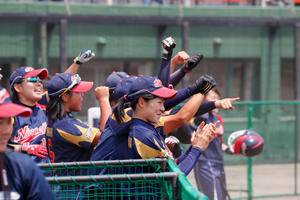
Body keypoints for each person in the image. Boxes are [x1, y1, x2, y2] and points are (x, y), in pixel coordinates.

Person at [112, 76, 218, 175]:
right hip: (145, 195)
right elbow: (175, 175)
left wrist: (194, 146)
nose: (163, 109)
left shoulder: (147, 127)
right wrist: (197, 149)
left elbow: (173, 165)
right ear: (141, 102)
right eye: (159, 103)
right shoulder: (143, 136)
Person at [8, 49, 95, 163]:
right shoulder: (9, 114)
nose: (39, 83)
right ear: (17, 87)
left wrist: (77, 63)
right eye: (33, 79)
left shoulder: (43, 105)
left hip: (49, 174)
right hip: (22, 174)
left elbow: (62, 85)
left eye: (40, 79)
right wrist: (22, 148)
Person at [0, 86, 55, 200]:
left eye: (9, 122)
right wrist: (24, 147)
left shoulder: (22, 166)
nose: (5, 131)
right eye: (0, 123)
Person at [46, 73, 110, 164]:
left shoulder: (58, 120)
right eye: (78, 92)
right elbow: (106, 138)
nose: (82, 95)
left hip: (67, 175)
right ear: (65, 97)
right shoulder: (65, 124)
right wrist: (104, 99)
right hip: (74, 177)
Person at [193, 88, 235, 200]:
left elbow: (217, 142)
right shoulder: (201, 116)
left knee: (222, 197)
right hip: (205, 163)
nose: (215, 100)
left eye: (217, 97)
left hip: (218, 162)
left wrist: (230, 149)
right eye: (212, 97)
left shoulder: (217, 118)